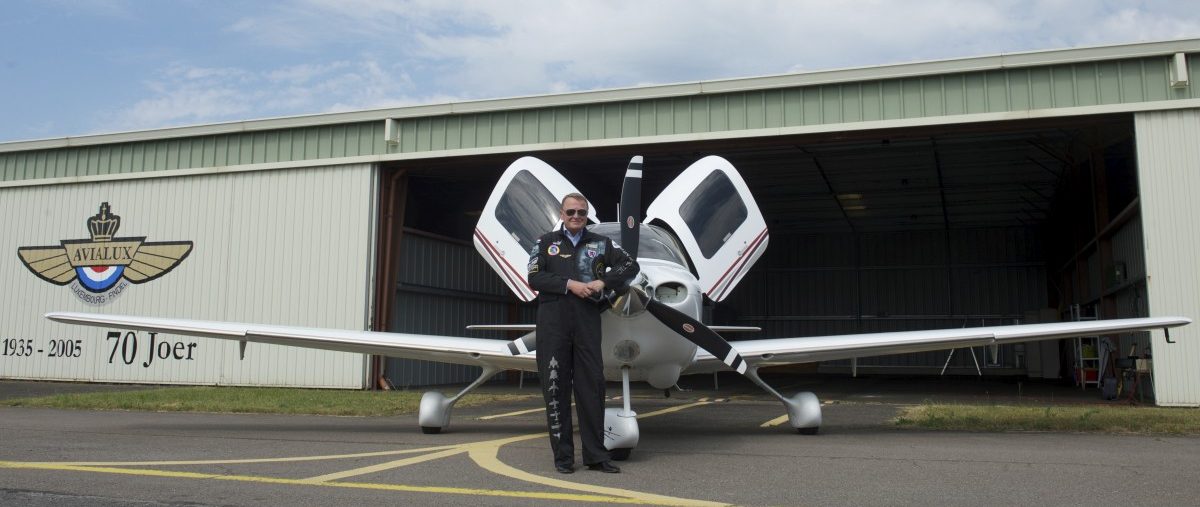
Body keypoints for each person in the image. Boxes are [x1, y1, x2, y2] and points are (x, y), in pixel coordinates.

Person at [527, 192, 639, 474]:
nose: (576, 217)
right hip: (553, 323)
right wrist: (570, 285)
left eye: (581, 212)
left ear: (587, 215)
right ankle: (563, 458)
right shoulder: (545, 242)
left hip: (588, 321)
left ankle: (596, 456)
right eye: (570, 212)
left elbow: (630, 266)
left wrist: (603, 282)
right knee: (556, 389)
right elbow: (534, 277)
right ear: (561, 215)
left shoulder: (601, 243)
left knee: (592, 388)